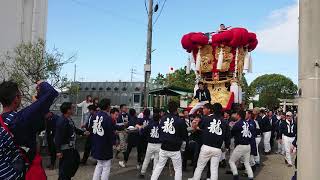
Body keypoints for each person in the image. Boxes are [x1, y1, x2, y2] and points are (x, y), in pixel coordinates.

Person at [0, 80, 58, 179]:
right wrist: (41, 83)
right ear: (16, 98)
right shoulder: (19, 120)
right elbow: (51, 93)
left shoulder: (3, 122)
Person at [189, 103, 230, 180]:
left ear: (212, 110)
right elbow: (227, 136)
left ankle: (195, 179)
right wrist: (227, 147)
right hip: (217, 148)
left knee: (200, 166)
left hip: (206, 146)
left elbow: (199, 127)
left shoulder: (207, 118)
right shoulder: (224, 122)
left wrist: (195, 125)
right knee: (214, 169)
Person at [151, 101, 188, 180]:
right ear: (177, 109)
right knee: (177, 169)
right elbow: (184, 135)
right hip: (175, 148)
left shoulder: (163, 119)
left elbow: (160, 131)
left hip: (164, 146)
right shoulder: (180, 121)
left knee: (159, 166)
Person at [55, 102, 90, 180]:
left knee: (75, 161)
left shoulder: (68, 119)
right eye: (72, 108)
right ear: (68, 110)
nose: (74, 110)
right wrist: (58, 151)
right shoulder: (62, 121)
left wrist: (83, 132)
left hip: (71, 148)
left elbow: (74, 129)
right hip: (65, 150)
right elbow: (58, 137)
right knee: (65, 170)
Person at [91, 99, 117, 180]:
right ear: (108, 106)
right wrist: (114, 142)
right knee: (106, 166)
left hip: (96, 143)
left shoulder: (95, 116)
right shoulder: (108, 118)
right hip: (105, 145)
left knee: (99, 164)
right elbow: (110, 133)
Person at [229, 110, 255, 180]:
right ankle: (251, 177)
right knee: (247, 163)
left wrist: (231, 127)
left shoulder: (238, 124)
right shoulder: (248, 123)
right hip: (248, 145)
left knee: (231, 161)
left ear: (238, 115)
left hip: (241, 145)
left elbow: (231, 133)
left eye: (236, 114)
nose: (235, 115)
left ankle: (236, 176)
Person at [139, 108, 162, 178]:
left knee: (147, 159)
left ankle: (142, 173)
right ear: (159, 119)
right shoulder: (161, 127)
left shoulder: (149, 126)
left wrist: (140, 129)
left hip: (150, 144)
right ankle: (154, 175)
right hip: (158, 145)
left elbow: (142, 133)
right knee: (156, 160)